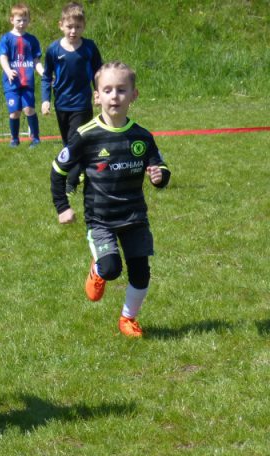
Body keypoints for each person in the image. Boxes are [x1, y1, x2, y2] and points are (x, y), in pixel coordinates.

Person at [51, 62, 171, 338]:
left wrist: (159, 176)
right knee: (112, 269)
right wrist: (63, 207)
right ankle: (98, 269)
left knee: (141, 272)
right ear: (97, 97)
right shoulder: (85, 136)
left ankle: (128, 318)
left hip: (134, 216)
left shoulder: (142, 136)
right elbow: (57, 171)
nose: (114, 96)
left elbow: (160, 167)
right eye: (107, 90)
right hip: (100, 218)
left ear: (134, 95)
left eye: (121, 90)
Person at [41, 2, 103, 192]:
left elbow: (99, 72)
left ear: (84, 26)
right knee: (69, 143)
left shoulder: (89, 48)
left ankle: (71, 182)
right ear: (61, 25)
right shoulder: (53, 50)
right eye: (69, 27)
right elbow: (46, 77)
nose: (73, 31)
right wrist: (45, 100)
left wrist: (99, 92)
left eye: (78, 27)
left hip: (82, 104)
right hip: (62, 105)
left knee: (75, 142)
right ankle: (83, 167)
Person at [0, 3, 46, 147]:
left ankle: (36, 138)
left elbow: (36, 61)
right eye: (19, 20)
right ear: (12, 20)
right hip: (11, 83)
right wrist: (8, 70)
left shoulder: (32, 40)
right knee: (15, 112)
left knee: (29, 109)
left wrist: (44, 73)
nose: (22, 23)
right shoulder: (6, 39)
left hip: (27, 82)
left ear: (29, 21)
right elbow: (2, 56)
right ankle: (14, 138)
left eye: (25, 20)